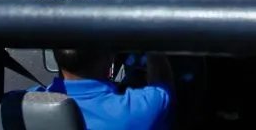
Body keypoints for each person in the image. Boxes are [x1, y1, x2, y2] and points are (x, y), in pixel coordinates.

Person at [31, 49, 174, 130]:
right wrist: (153, 49)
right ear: (108, 58)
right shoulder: (139, 109)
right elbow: (163, 86)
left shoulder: (21, 105)